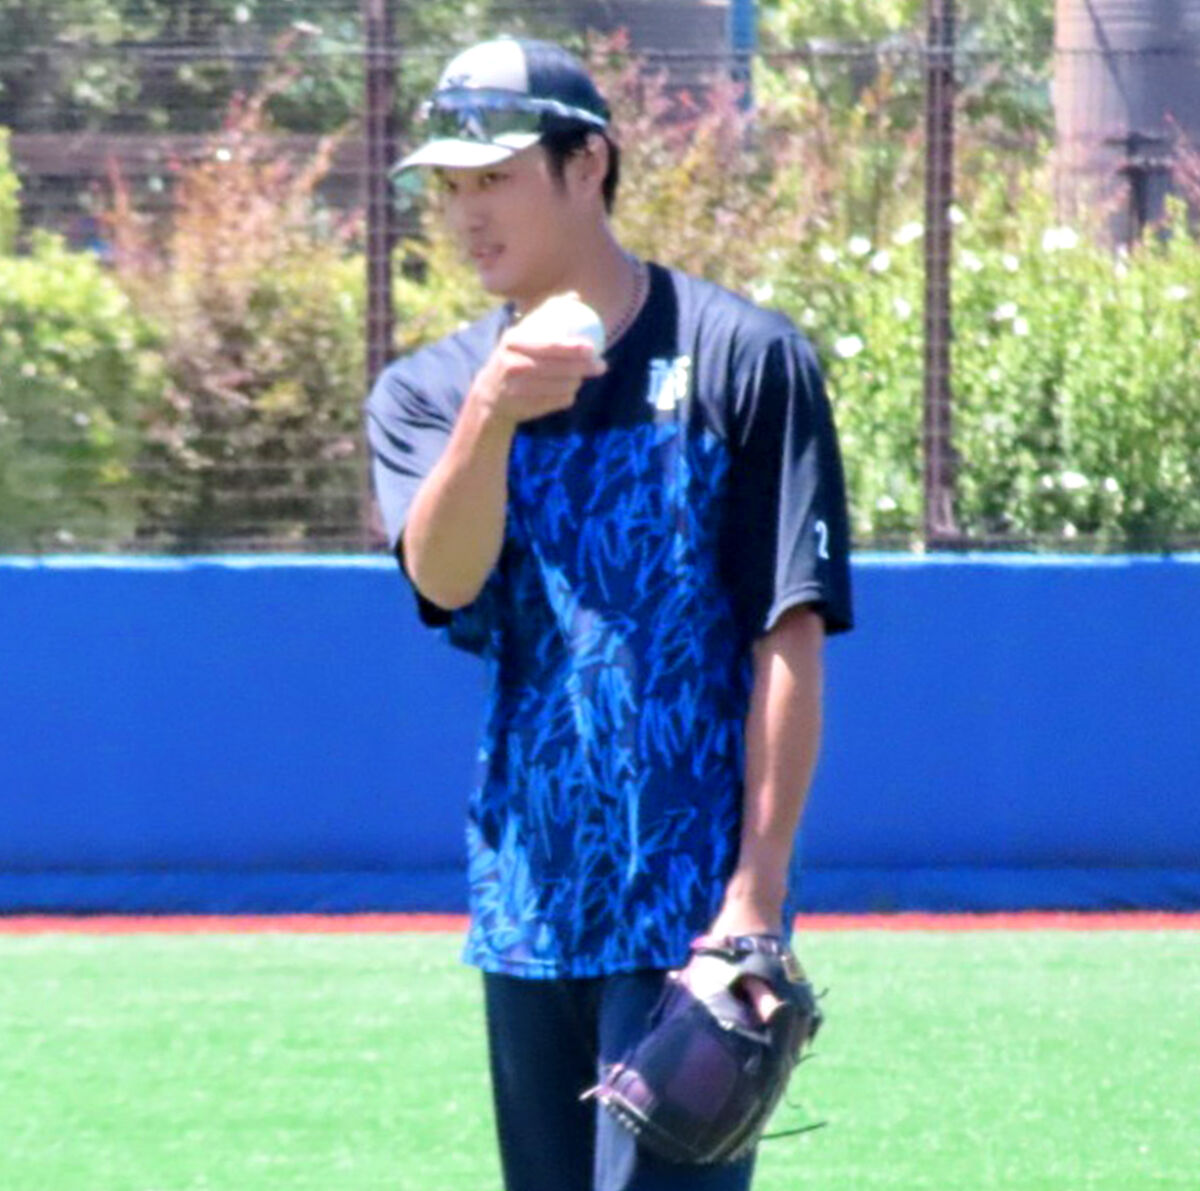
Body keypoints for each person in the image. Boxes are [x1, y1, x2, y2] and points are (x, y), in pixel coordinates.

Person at [365, 35, 853, 1191]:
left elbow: (787, 634)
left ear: (588, 164)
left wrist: (755, 901)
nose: (466, 213)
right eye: (451, 185)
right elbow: (444, 578)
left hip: (692, 913)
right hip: (526, 906)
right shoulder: (429, 392)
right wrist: (490, 413)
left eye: (495, 177)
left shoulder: (744, 358)